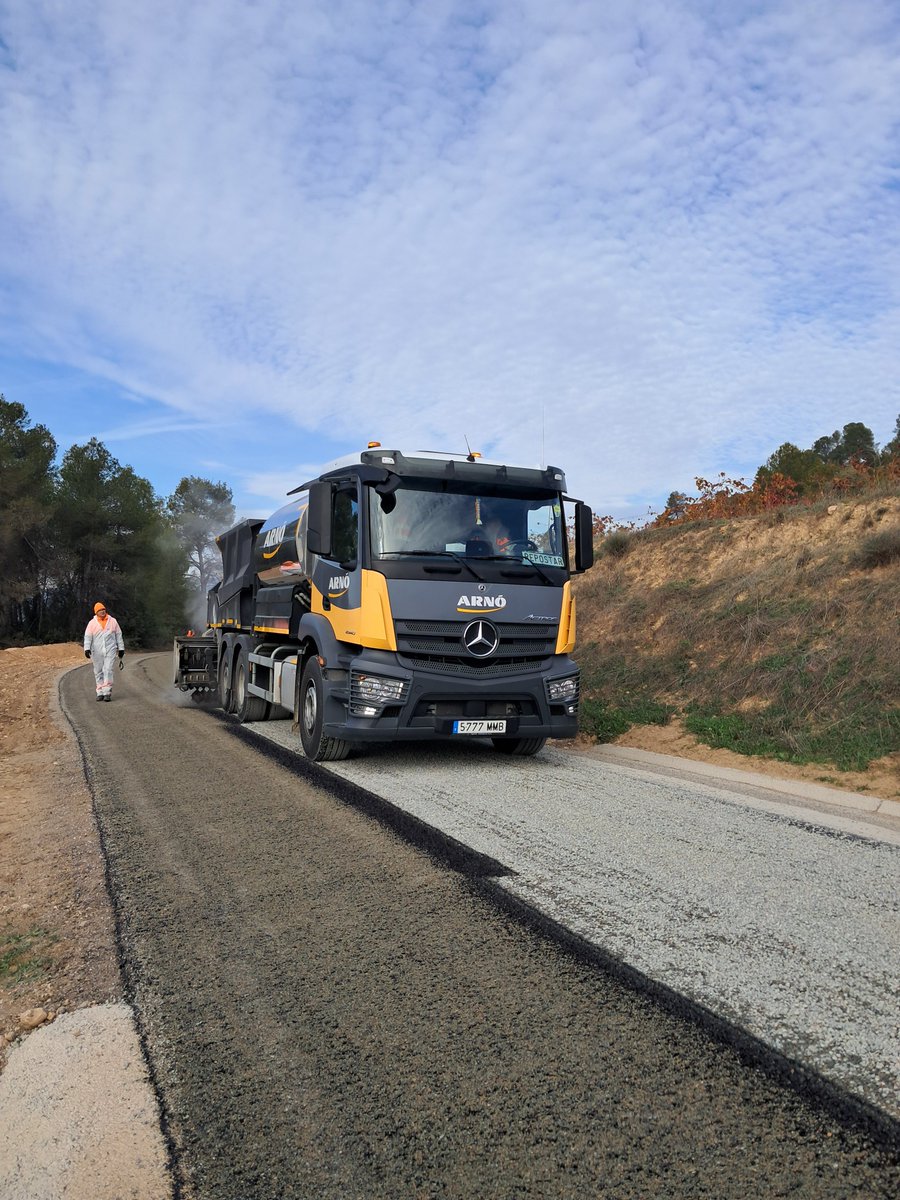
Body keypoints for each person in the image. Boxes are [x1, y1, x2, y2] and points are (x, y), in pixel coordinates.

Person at [83, 602, 125, 702]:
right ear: (96, 612)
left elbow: (119, 635)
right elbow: (88, 637)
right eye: (100, 610)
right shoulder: (92, 623)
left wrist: (121, 648)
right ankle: (100, 692)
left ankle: (107, 692)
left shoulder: (113, 621)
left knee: (108, 669)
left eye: (103, 609)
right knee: (98, 672)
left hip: (110, 650)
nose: (102, 611)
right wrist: (87, 649)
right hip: (96, 651)